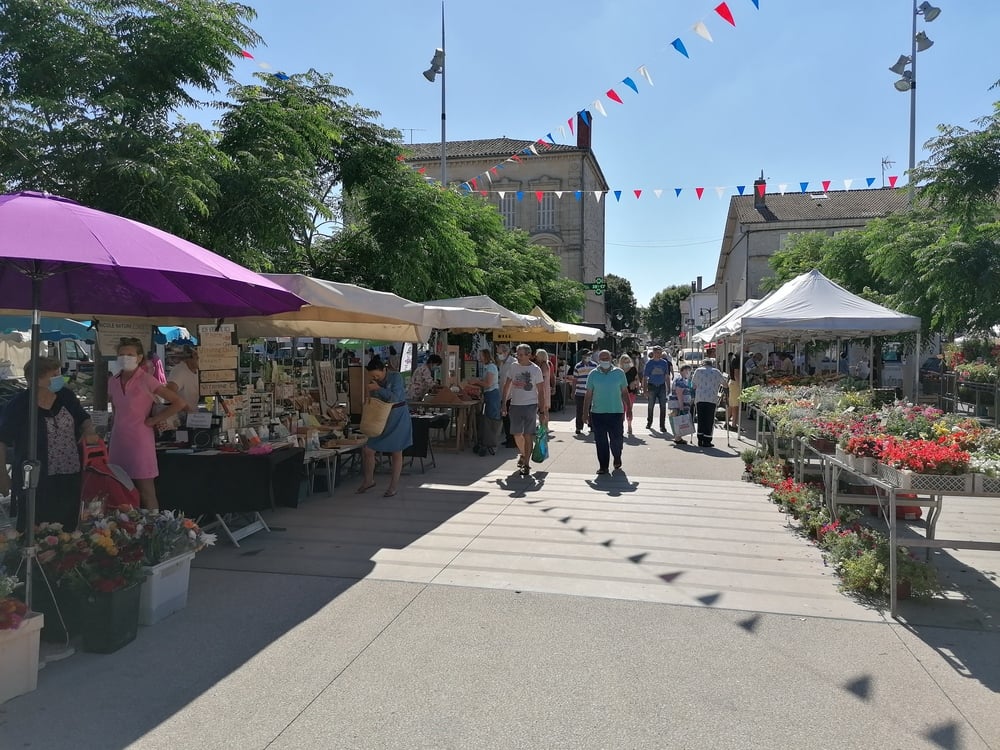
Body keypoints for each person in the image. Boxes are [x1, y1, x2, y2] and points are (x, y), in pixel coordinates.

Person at [0, 356, 99, 531]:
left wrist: (89, 431)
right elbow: (2, 440)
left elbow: (84, 418)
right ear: (37, 379)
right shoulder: (19, 405)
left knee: (68, 528)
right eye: (54, 375)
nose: (59, 378)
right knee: (36, 528)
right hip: (35, 479)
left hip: (69, 476)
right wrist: (2, 475)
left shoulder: (65, 396)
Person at [108, 337, 186, 510]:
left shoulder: (147, 380)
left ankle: (153, 527)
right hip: (118, 440)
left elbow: (178, 402)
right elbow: (115, 410)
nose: (125, 358)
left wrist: (155, 419)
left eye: (130, 354)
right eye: (121, 354)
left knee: (145, 490)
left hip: (140, 441)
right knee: (119, 489)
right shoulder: (112, 381)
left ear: (139, 357)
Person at [356, 357, 413, 497]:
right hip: (381, 419)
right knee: (368, 449)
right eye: (373, 376)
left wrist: (378, 388)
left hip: (398, 416)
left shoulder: (396, 377)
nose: (375, 377)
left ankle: (393, 486)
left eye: (377, 375)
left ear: (384, 370)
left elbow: (395, 397)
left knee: (396, 452)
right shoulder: (373, 381)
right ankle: (369, 480)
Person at [500, 344, 547, 477]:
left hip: (530, 405)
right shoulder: (513, 367)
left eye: (521, 355)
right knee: (516, 434)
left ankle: (526, 464)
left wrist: (542, 411)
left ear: (529, 355)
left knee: (528, 435)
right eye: (517, 354)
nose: (518, 357)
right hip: (515, 405)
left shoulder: (535, 370)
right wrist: (504, 404)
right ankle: (524, 453)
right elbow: (507, 385)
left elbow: (541, 391)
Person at [583, 350, 630, 474]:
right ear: (598, 360)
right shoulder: (593, 374)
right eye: (602, 358)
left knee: (616, 440)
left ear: (611, 359)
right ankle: (603, 466)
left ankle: (617, 456)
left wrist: (629, 409)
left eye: (607, 358)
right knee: (600, 441)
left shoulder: (619, 373)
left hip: (616, 412)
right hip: (598, 413)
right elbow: (588, 395)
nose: (604, 360)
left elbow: (625, 392)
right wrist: (584, 413)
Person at [469, 349, 501, 456]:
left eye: (481, 355)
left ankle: (492, 444)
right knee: (486, 419)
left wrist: (477, 381)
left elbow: (488, 383)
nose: (479, 357)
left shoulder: (491, 367)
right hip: (488, 394)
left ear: (486, 356)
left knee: (492, 419)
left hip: (492, 394)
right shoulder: (487, 367)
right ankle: (486, 442)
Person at [692, 357, 726, 448]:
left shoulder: (698, 371)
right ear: (711, 364)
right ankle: (707, 440)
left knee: (700, 418)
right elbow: (724, 383)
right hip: (711, 398)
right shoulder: (716, 372)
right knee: (709, 419)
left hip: (700, 398)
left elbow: (693, 385)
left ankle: (700, 438)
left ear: (703, 364)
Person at [642, 345, 673, 432]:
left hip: (662, 386)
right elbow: (645, 377)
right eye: (657, 353)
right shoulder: (649, 363)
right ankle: (649, 422)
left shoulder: (664, 363)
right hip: (652, 386)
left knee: (663, 406)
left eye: (660, 353)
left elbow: (666, 376)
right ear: (653, 353)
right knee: (650, 405)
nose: (658, 354)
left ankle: (662, 425)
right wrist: (645, 390)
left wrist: (669, 387)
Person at [165, 345, 200, 413]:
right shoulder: (180, 370)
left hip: (192, 415)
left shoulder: (197, 371)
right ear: (194, 355)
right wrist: (184, 407)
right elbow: (169, 392)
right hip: (180, 416)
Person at [571, 349, 598, 435]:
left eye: (589, 355)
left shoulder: (595, 365)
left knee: (592, 410)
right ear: (582, 356)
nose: (588, 357)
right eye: (587, 355)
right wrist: (573, 391)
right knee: (579, 411)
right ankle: (579, 427)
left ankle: (592, 426)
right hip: (580, 392)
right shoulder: (577, 366)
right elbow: (574, 380)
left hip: (591, 392)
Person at [670, 364, 695, 445]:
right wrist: (681, 407)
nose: (688, 372)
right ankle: (677, 438)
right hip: (678, 404)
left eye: (689, 371)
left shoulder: (682, 379)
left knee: (678, 421)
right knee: (678, 420)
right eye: (686, 370)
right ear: (682, 370)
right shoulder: (680, 379)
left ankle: (678, 437)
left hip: (678, 404)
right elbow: (679, 393)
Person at [619, 353, 640, 437]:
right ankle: (621, 426)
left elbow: (637, 380)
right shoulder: (618, 371)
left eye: (628, 361)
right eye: (624, 361)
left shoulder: (633, 369)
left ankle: (629, 425)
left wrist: (634, 382)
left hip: (631, 392)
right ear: (621, 362)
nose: (626, 363)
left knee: (629, 408)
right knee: (621, 409)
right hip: (620, 393)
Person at [534, 349, 553, 432]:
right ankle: (544, 426)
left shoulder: (544, 365)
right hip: (544, 387)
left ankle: (544, 427)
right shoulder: (544, 364)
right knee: (545, 409)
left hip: (543, 388)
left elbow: (542, 376)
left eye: (537, 355)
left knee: (544, 408)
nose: (536, 357)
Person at [726, 359, 742, 430]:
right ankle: (734, 425)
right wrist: (740, 386)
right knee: (735, 405)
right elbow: (736, 375)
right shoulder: (737, 360)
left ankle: (727, 423)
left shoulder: (734, 359)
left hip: (732, 383)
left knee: (731, 405)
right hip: (735, 384)